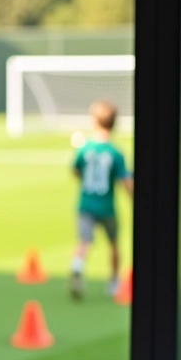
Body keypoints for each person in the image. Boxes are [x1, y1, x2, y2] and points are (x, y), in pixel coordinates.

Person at [69, 100, 133, 300]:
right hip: (107, 206)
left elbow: (75, 171)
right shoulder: (115, 153)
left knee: (84, 241)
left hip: (86, 203)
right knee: (114, 243)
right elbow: (126, 181)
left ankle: (77, 266)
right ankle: (114, 281)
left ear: (94, 122)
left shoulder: (85, 148)